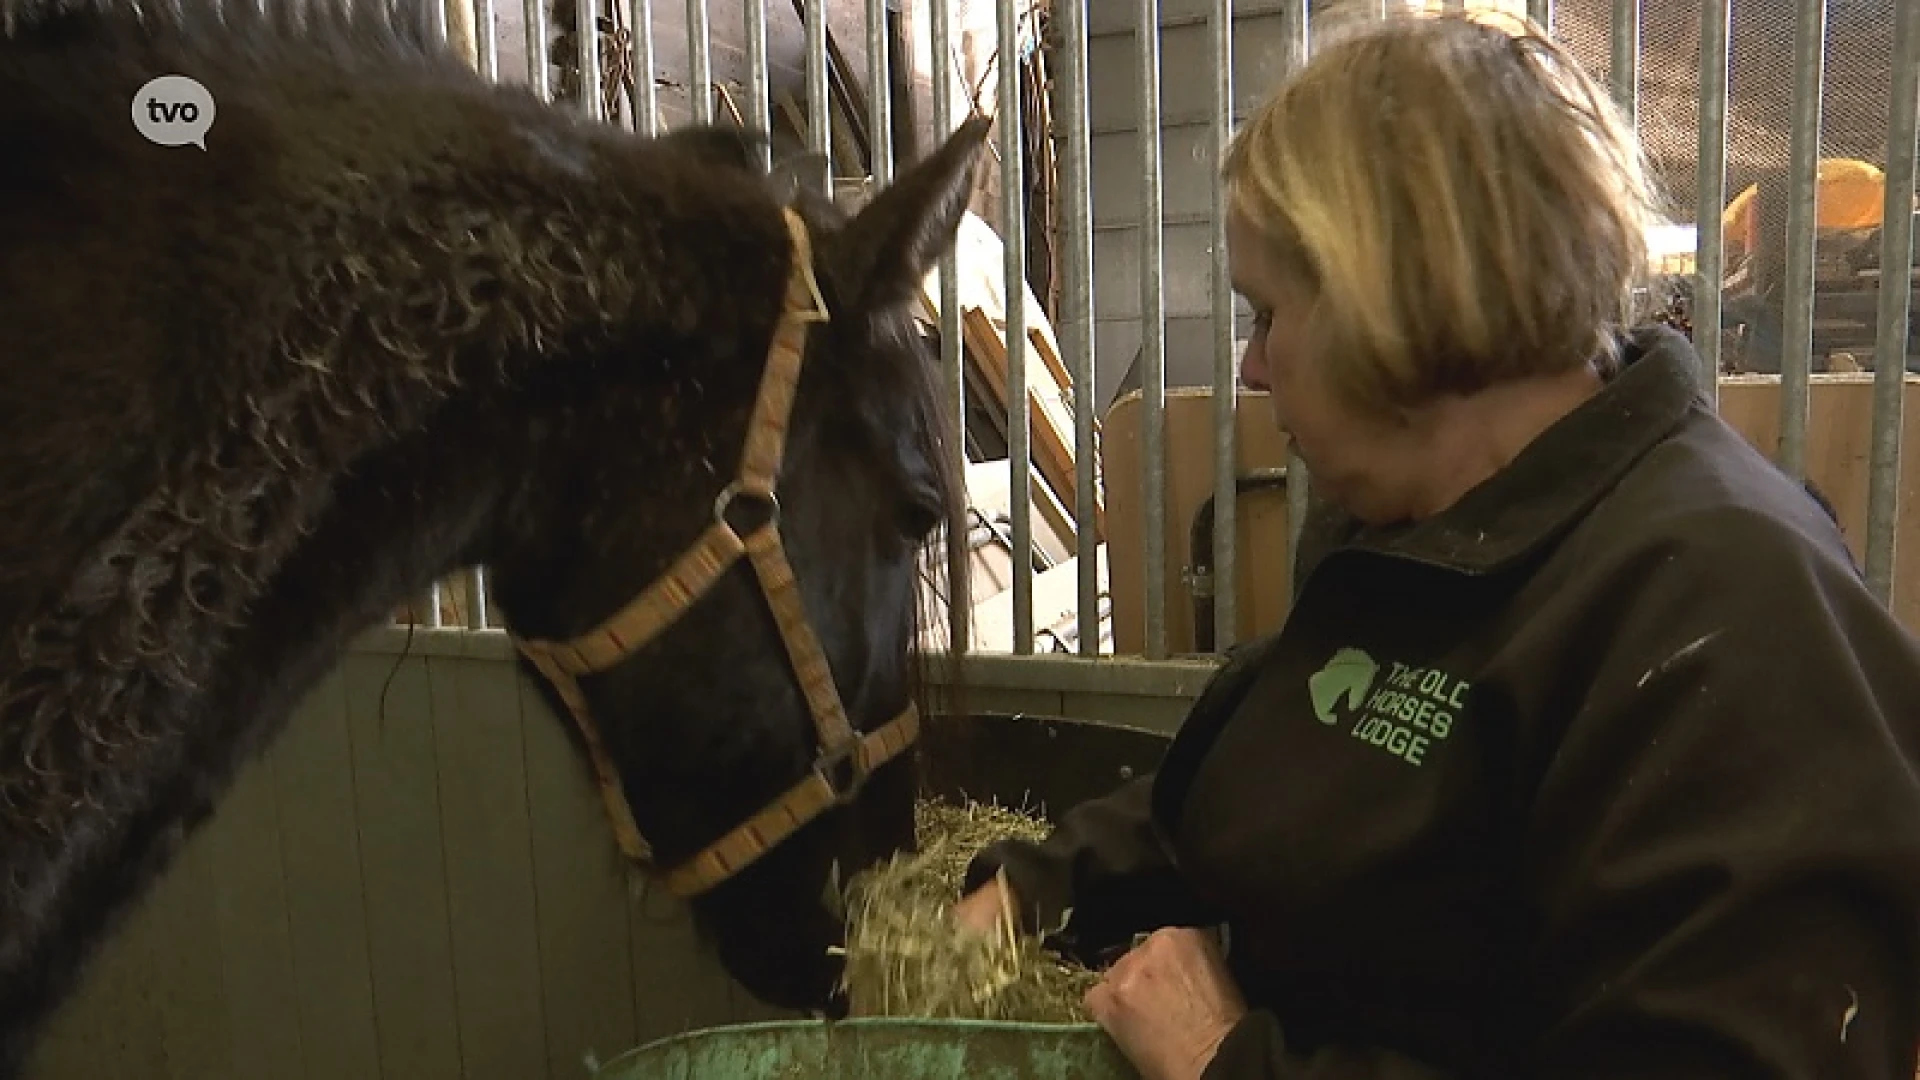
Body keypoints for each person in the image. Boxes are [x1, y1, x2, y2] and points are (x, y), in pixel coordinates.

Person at [952, 10, 1920, 1080]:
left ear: (1392, 299)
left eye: (1268, 311)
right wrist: (1048, 887)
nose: (1254, 370)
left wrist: (1226, 1061)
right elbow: (1299, 777)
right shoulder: (1426, 531)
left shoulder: (1730, 615)